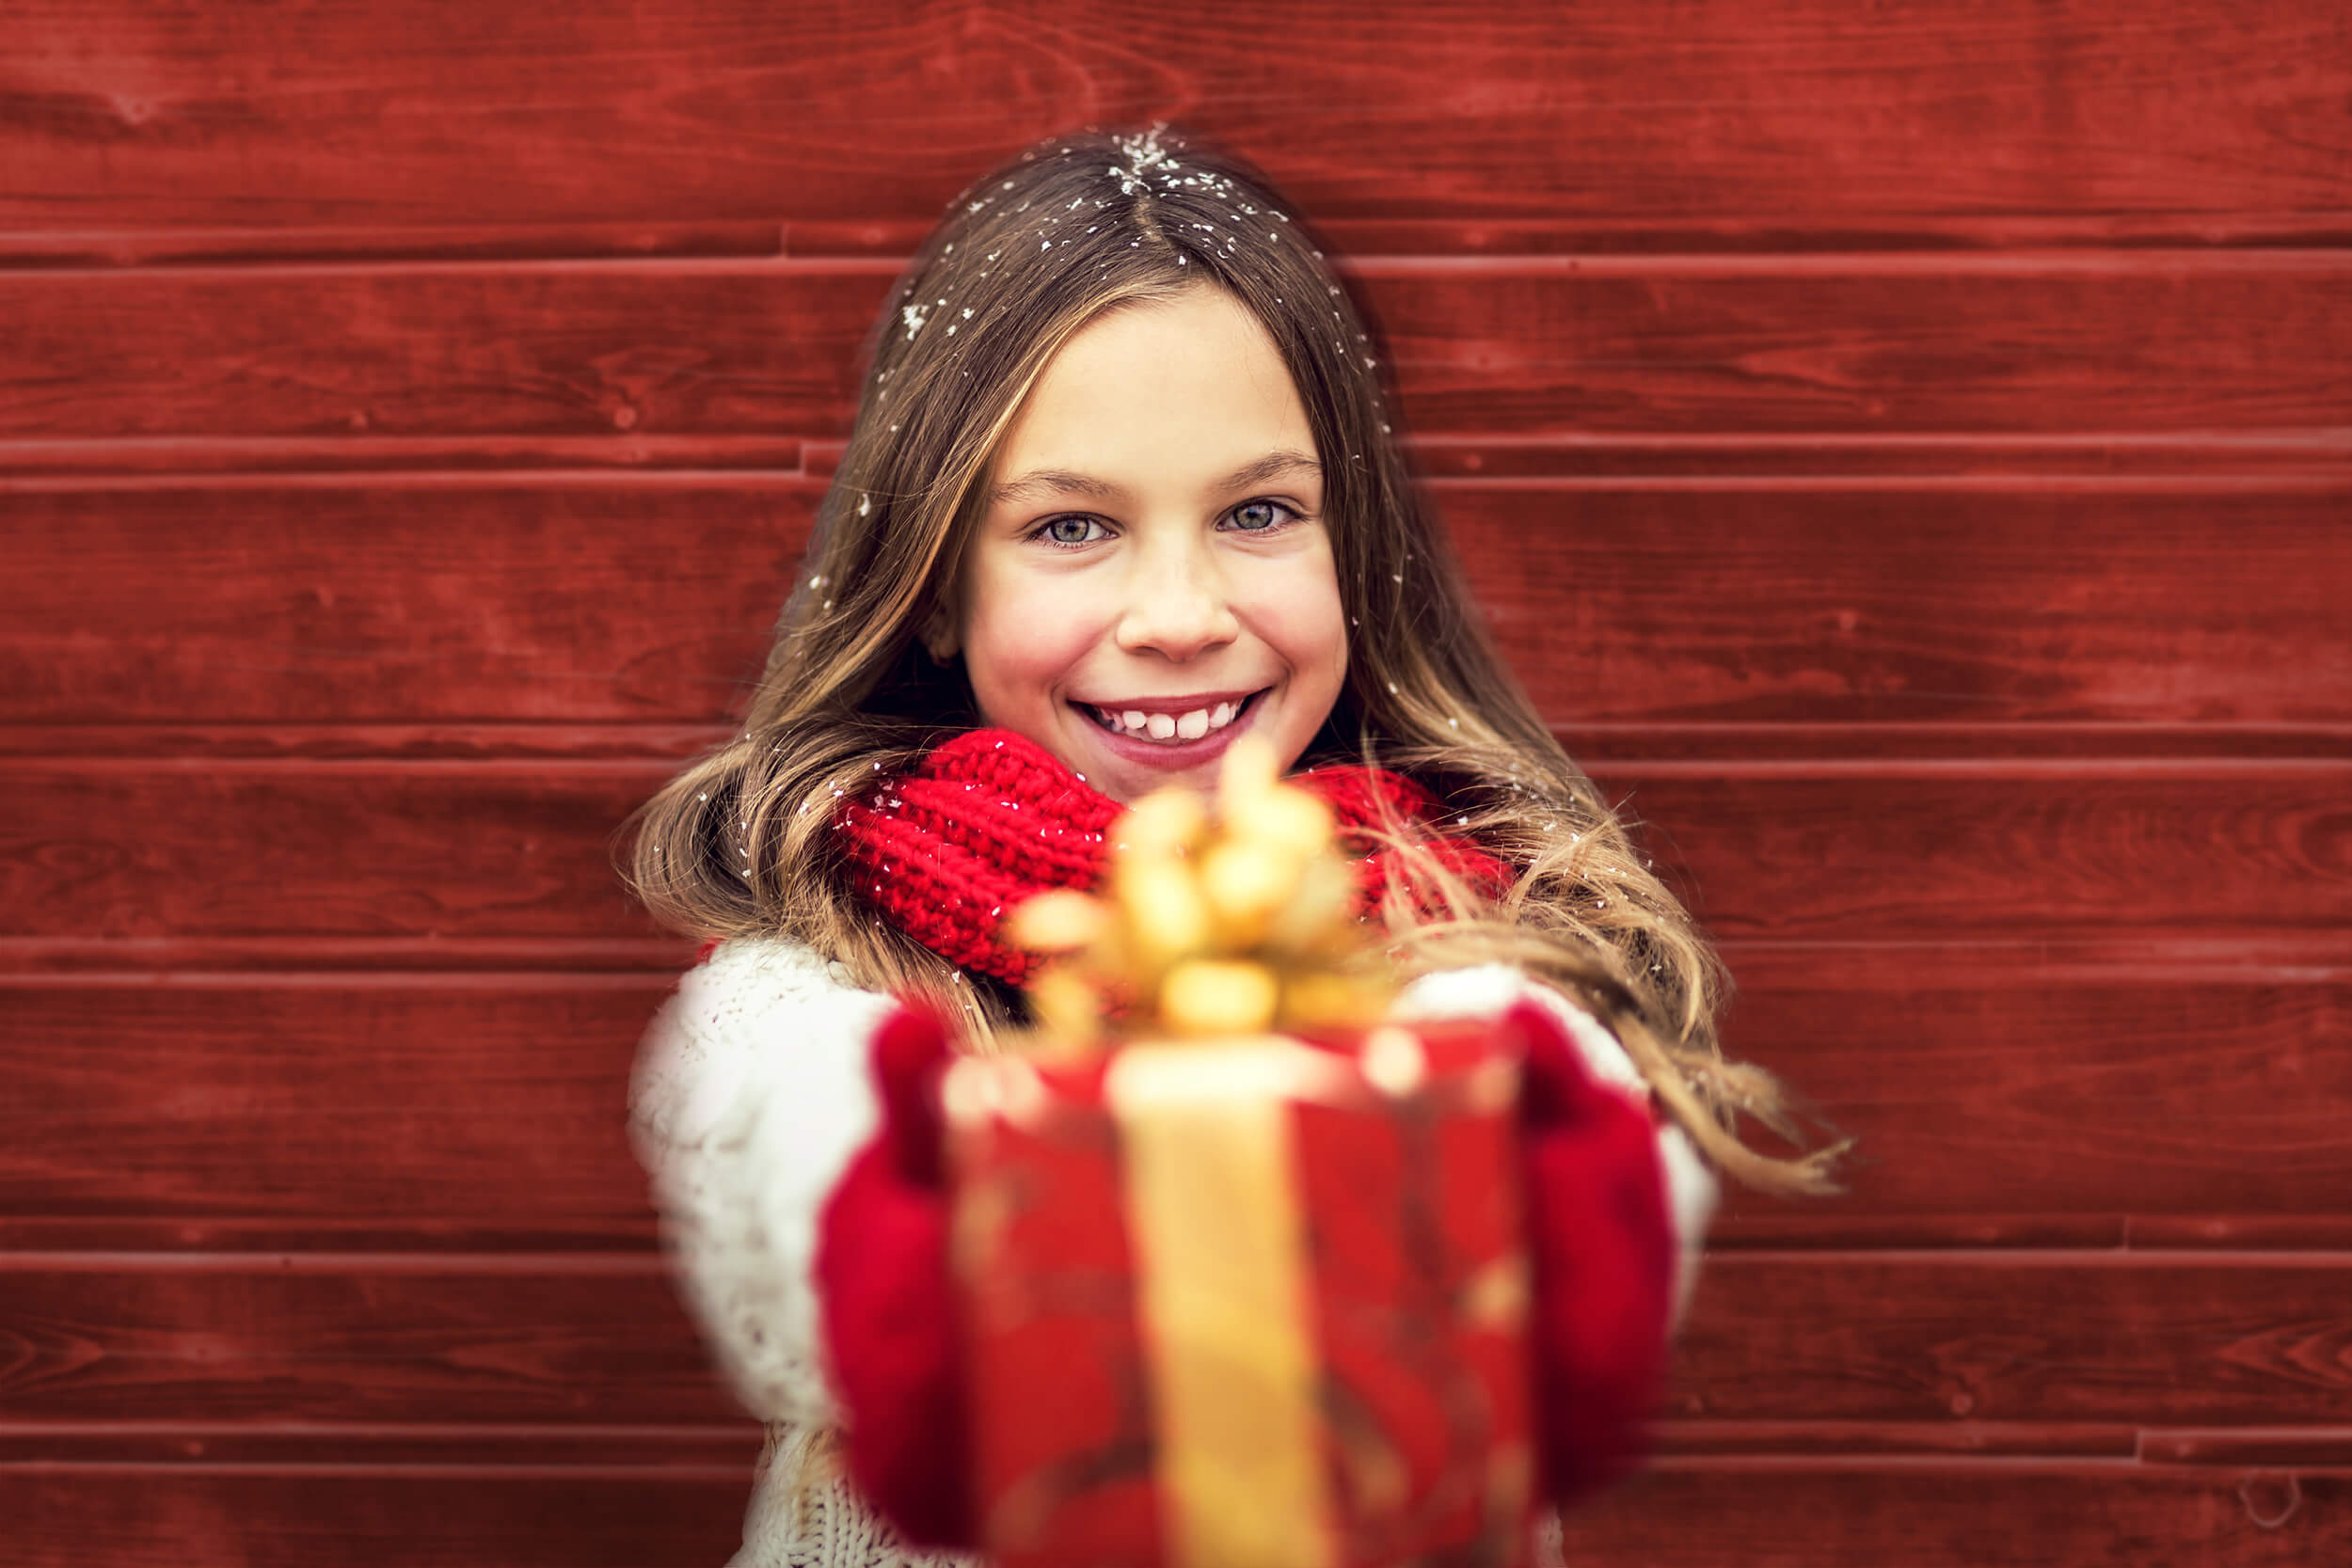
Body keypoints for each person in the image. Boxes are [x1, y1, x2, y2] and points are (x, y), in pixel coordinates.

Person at [623, 122, 1849, 1568]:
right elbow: (803, 1203)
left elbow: (1550, 1151)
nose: (1182, 612)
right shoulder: (804, 988)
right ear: (935, 589)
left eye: (1258, 512)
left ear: (1355, 545)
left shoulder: (1477, 941)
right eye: (1074, 527)